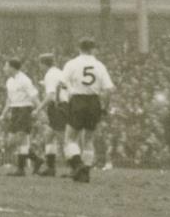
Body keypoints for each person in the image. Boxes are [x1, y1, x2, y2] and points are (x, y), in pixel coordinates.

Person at [62, 38, 114, 183]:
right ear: (93, 49)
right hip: (94, 101)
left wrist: (65, 98)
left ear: (79, 48)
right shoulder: (100, 65)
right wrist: (105, 107)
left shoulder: (72, 63)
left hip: (78, 100)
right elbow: (109, 90)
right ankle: (85, 173)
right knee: (89, 139)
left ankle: (78, 164)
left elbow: (62, 83)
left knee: (70, 138)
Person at [0, 58, 42, 176]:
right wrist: (4, 112)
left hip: (24, 110)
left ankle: (21, 169)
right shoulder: (9, 81)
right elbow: (9, 99)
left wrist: (39, 110)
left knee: (19, 140)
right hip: (15, 110)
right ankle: (36, 160)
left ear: (12, 68)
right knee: (11, 141)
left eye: (6, 66)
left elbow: (34, 96)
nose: (4, 68)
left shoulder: (25, 80)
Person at [34, 53, 69, 177]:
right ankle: (50, 167)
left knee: (63, 139)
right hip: (62, 106)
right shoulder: (59, 72)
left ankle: (75, 167)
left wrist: (38, 109)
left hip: (58, 107)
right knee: (49, 135)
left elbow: (50, 96)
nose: (39, 66)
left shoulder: (49, 75)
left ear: (44, 64)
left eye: (40, 64)